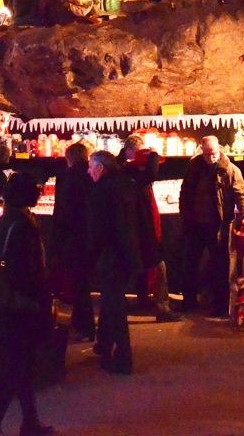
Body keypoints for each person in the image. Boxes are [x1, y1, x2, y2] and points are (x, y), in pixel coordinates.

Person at [0, 172, 53, 436]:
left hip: (8, 303)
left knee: (20, 367)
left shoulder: (5, 222)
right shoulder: (23, 225)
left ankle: (29, 422)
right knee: (16, 368)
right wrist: (39, 299)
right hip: (21, 305)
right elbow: (26, 271)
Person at [178, 135, 244, 317]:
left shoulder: (230, 170)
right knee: (190, 264)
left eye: (212, 153)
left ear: (218, 149)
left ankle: (220, 305)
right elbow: (185, 191)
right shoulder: (193, 166)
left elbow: (241, 195)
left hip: (217, 225)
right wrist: (185, 216)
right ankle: (189, 301)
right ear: (201, 151)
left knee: (219, 266)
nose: (209, 157)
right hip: (195, 223)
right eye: (205, 154)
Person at [87, 150, 142, 374]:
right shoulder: (127, 185)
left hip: (111, 255)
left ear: (100, 167)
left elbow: (98, 229)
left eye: (91, 166)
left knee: (114, 305)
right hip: (128, 253)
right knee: (111, 303)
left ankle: (123, 357)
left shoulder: (101, 191)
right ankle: (105, 345)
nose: (88, 171)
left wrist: (91, 253)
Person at [119, 135, 181, 323]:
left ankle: (138, 299)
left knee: (133, 267)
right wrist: (154, 155)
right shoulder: (130, 172)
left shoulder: (124, 170)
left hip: (133, 228)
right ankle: (162, 308)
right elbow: (150, 175)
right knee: (156, 265)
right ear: (132, 151)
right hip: (140, 228)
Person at [50, 141, 96, 341]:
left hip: (73, 238)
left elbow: (63, 212)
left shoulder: (67, 178)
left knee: (79, 284)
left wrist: (57, 241)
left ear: (69, 158)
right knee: (83, 283)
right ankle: (80, 322)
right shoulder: (93, 176)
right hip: (91, 236)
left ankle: (86, 328)